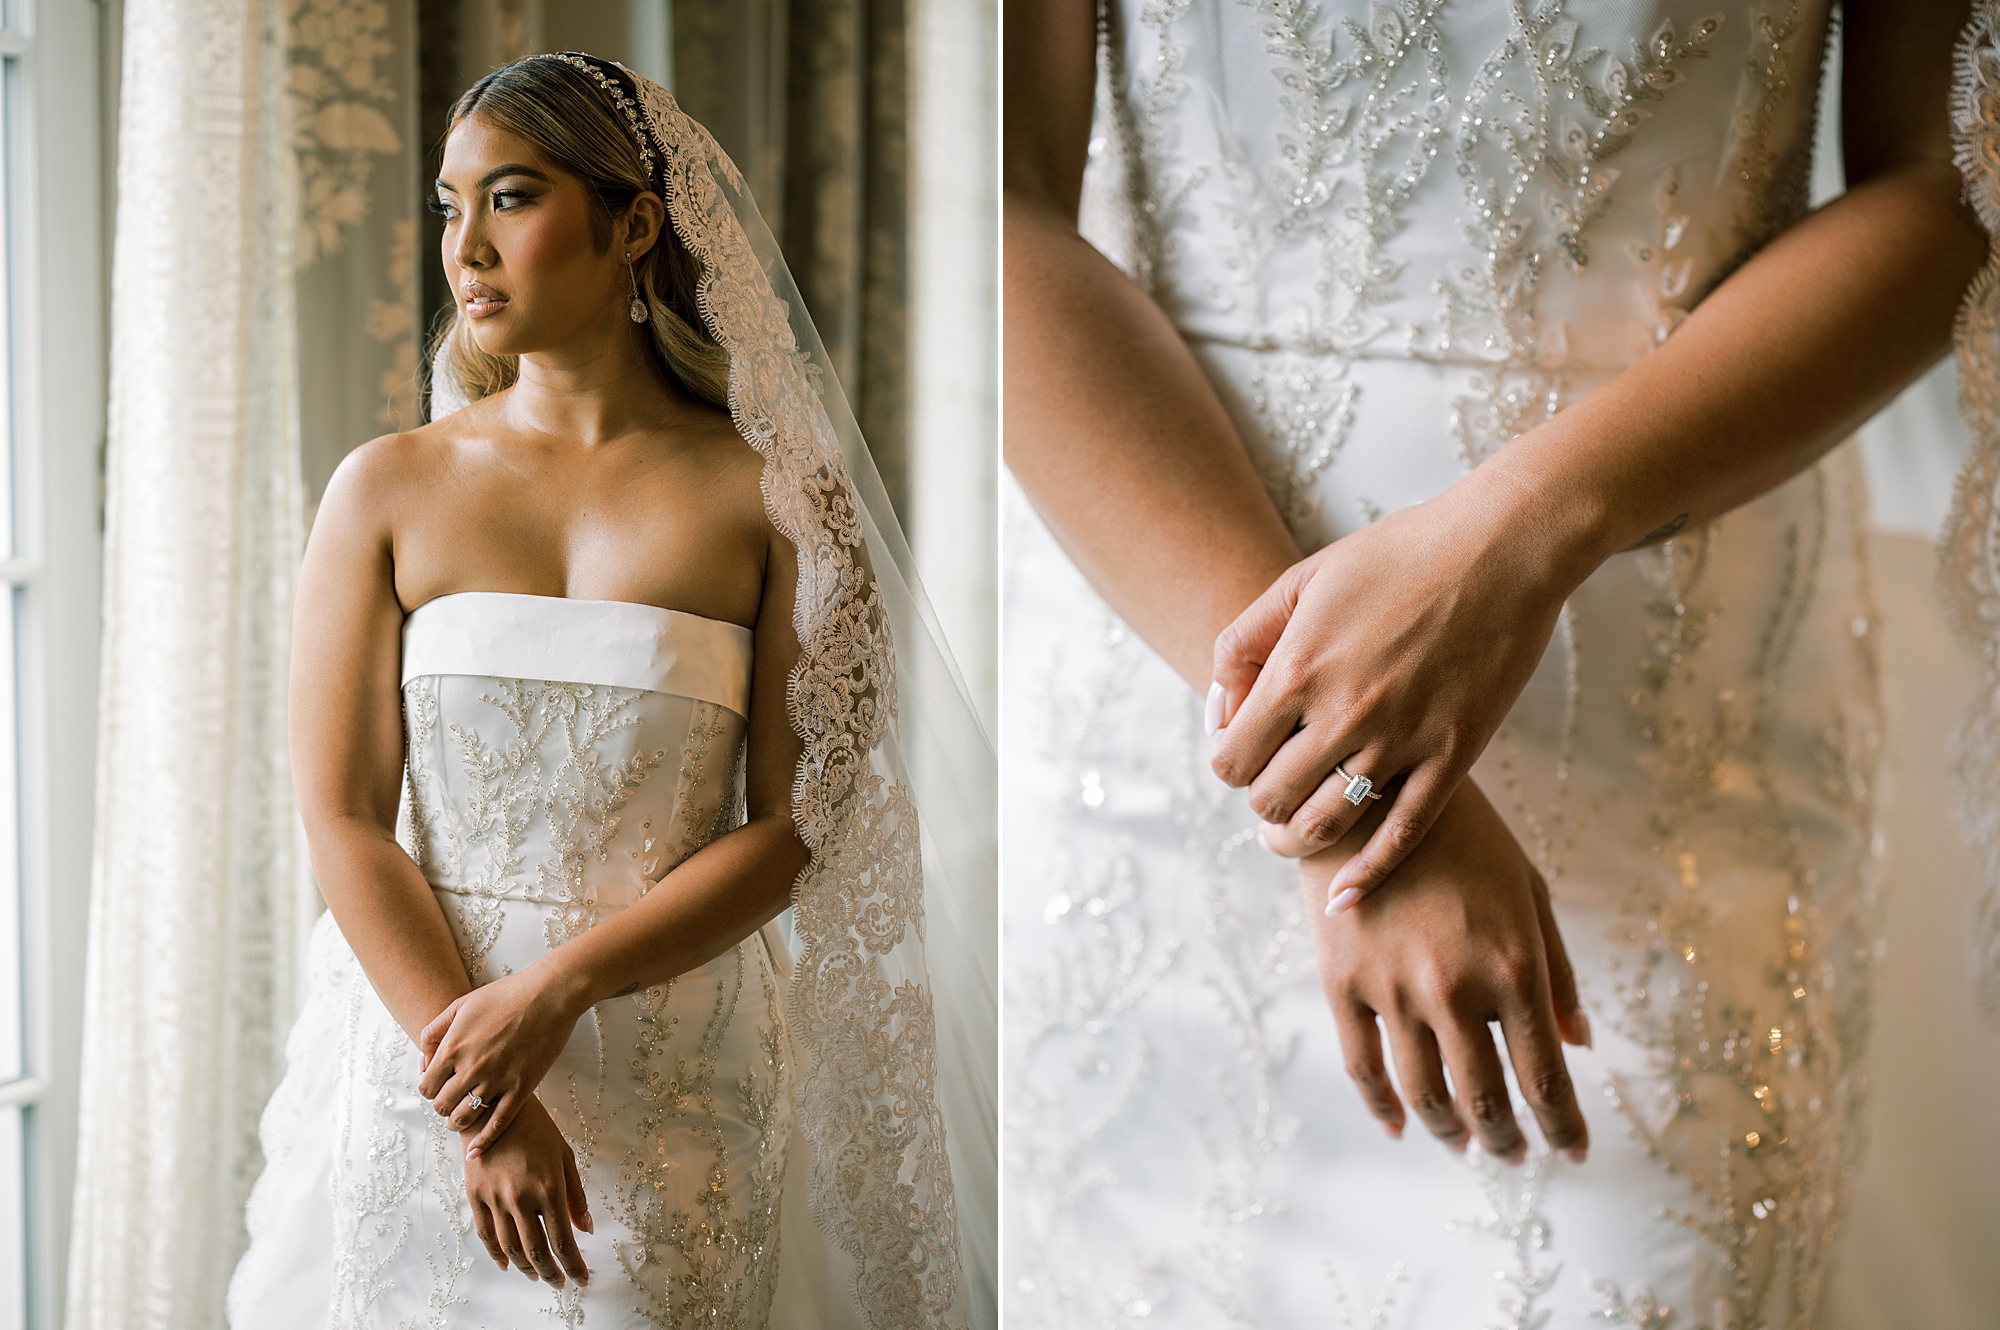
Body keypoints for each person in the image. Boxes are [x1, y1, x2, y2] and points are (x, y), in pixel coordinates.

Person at [1004, 1, 1985, 1325]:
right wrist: (1351, 791)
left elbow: (1949, 183)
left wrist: (1519, 538)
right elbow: (989, 216)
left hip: (1664, 707)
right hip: (1167, 665)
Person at [228, 52, 994, 1328]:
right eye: (447, 204)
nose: (464, 247)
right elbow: (347, 820)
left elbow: (797, 825)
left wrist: (556, 991)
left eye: (512, 198)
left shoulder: (780, 499)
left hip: (675, 1071)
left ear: (632, 222)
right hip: (432, 1054)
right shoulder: (385, 489)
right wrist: (484, 1088)